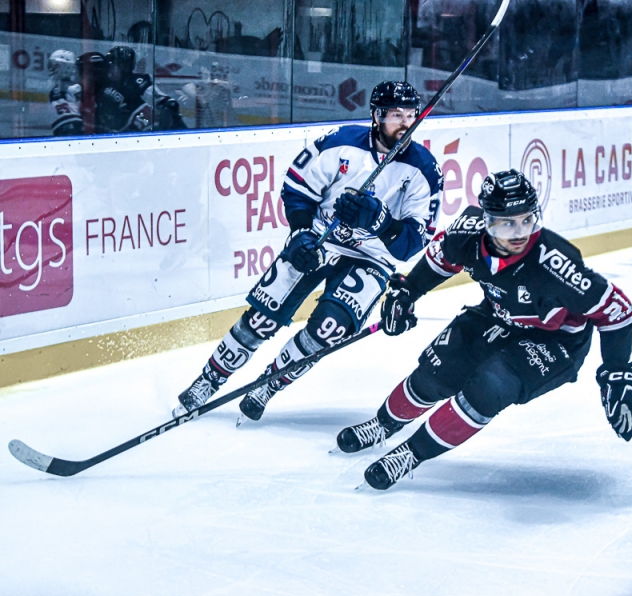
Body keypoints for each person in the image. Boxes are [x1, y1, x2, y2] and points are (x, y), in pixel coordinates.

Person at [335, 169, 632, 490]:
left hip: (557, 340)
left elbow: (617, 310)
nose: (519, 233)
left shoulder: (556, 263)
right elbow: (441, 261)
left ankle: (410, 454)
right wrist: (408, 290)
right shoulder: (467, 232)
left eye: (526, 220)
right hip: (498, 315)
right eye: (506, 223)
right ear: (487, 220)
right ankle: (381, 425)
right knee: (436, 371)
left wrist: (617, 373)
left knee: (491, 386)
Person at [173, 81, 443, 425]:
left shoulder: (425, 169)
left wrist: (381, 221)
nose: (406, 123)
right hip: (319, 238)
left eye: (410, 115)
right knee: (262, 316)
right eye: (395, 115)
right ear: (377, 117)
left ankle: (268, 385)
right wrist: (300, 232)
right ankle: (207, 381)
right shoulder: (340, 142)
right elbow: (297, 189)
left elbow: (412, 244)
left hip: (372, 257)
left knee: (331, 327)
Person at [94, 46, 186, 134]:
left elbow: (168, 104)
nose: (109, 70)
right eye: (108, 66)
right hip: (107, 132)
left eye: (113, 65)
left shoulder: (137, 82)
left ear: (124, 66)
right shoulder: (104, 83)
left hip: (132, 135)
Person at [47, 50, 83, 137]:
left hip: (68, 128)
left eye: (56, 65)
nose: (52, 68)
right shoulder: (53, 85)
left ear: (67, 68)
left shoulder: (74, 88)